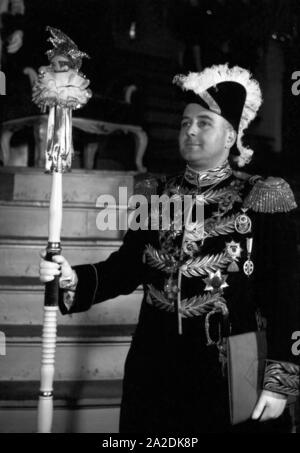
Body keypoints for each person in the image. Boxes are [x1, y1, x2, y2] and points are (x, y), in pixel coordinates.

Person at [39, 64, 300, 433]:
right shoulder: (156, 194)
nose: (190, 129)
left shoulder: (263, 196)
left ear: (231, 137)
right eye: (184, 123)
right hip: (154, 365)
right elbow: (126, 268)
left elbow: (287, 293)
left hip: (228, 368)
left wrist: (281, 379)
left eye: (203, 122)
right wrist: (72, 278)